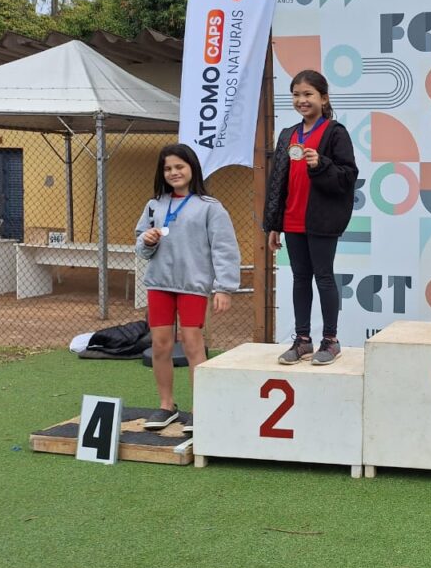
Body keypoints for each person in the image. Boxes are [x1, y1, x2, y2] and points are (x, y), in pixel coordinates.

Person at [135, 144, 240, 434]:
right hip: (159, 284)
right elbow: (140, 245)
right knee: (160, 345)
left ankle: (199, 409)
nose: (173, 172)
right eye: (168, 168)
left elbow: (224, 249)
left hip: (193, 286)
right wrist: (147, 240)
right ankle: (166, 406)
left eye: (179, 166)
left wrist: (224, 288)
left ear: (192, 168)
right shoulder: (154, 205)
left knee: (193, 344)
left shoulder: (210, 207)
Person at [264, 70, 358, 365]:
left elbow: (348, 176)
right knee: (300, 278)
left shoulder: (335, 132)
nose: (301, 100)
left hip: (321, 219)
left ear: (324, 98)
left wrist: (321, 164)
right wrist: (274, 224)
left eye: (308, 94)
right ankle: (302, 340)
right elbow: (277, 182)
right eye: (296, 95)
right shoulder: (287, 134)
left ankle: (330, 340)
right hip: (291, 218)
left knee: (324, 276)